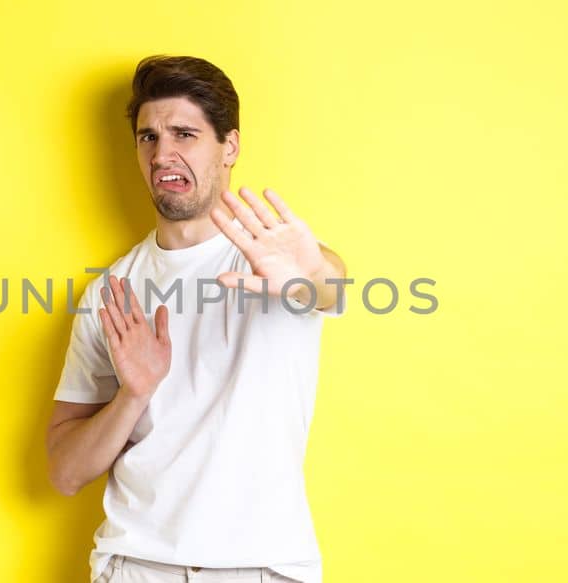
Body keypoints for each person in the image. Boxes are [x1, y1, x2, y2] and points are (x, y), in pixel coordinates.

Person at [46, 55, 347, 583]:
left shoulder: (272, 260)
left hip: (263, 567)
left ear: (228, 146)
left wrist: (308, 276)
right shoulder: (110, 292)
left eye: (184, 134)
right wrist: (132, 395)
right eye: (148, 137)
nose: (163, 154)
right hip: (137, 567)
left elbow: (330, 284)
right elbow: (65, 473)